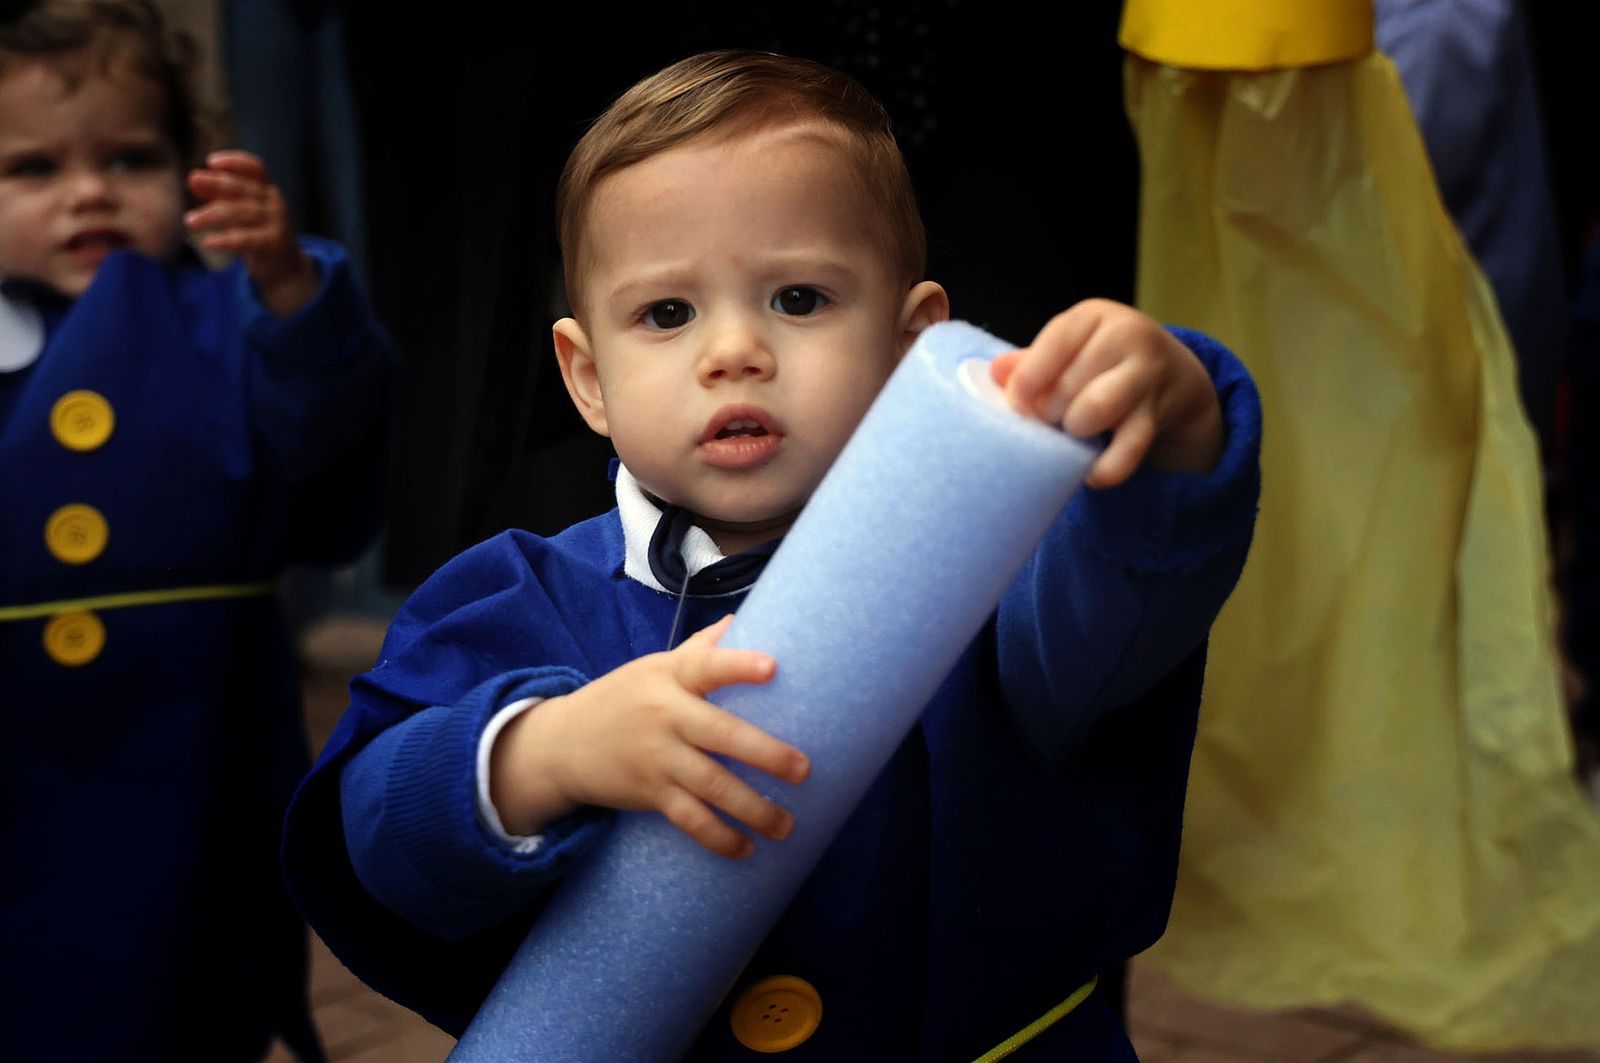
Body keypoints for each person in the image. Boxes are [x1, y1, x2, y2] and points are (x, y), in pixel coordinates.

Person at [283, 50, 1259, 1060]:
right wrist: (546, 751)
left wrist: (1173, 421)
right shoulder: (513, 594)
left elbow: (1131, 586)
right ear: (588, 378)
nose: (733, 350)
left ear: (912, 338)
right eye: (667, 313)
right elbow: (377, 827)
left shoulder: (998, 573)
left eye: (798, 298)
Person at [0, 2, 394, 1059]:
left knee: (197, 952)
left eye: (131, 157)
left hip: (197, 725)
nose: (89, 191)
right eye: (32, 169)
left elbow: (329, 429)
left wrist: (290, 286)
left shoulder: (232, 312)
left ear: (191, 168)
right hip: (21, 740)